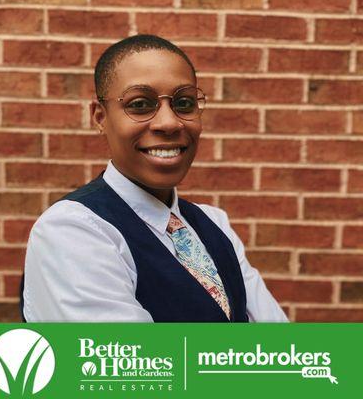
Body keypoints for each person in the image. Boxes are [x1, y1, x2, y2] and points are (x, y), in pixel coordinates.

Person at [21, 34, 288, 323]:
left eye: (184, 102)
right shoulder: (73, 230)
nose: (169, 122)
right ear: (100, 117)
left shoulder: (214, 224)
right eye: (139, 104)